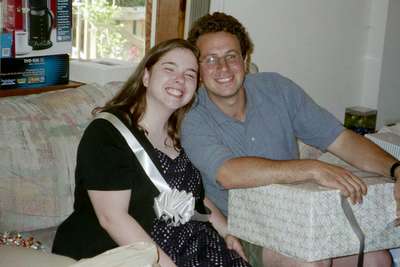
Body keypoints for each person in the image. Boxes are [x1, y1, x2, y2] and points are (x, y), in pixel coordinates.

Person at [181, 12, 398, 267]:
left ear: (246, 59)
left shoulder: (277, 89)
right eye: (210, 59)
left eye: (231, 56)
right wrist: (312, 169)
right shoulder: (191, 113)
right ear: (197, 70)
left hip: (300, 217)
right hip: (246, 230)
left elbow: (341, 139)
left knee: (377, 259)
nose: (223, 68)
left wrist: (395, 169)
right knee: (308, 263)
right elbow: (228, 173)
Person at [52, 38, 250, 267]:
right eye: (169, 69)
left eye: (190, 74)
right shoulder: (107, 134)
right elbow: (112, 219)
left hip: (192, 245)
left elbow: (193, 198)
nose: (180, 79)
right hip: (126, 252)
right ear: (146, 76)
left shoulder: (181, 133)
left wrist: (227, 232)